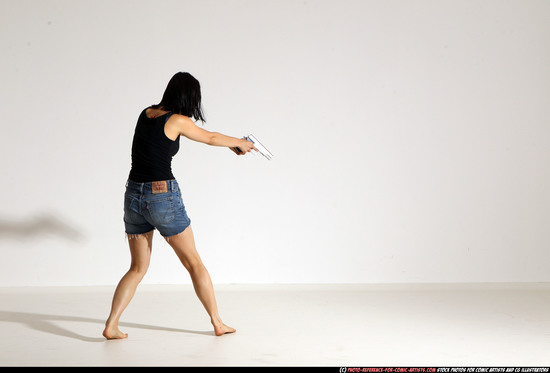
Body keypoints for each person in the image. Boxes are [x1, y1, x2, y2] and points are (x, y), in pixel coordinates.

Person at [103, 72, 257, 340]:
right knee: (194, 262)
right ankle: (218, 323)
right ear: (190, 97)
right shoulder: (178, 120)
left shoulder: (146, 113)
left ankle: (111, 325)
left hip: (133, 196)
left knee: (137, 268)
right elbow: (209, 138)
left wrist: (232, 145)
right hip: (162, 197)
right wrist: (240, 143)